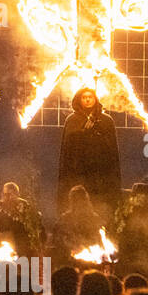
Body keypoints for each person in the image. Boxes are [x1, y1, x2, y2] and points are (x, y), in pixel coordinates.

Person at [57, 87, 121, 220]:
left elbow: (111, 149)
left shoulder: (106, 120)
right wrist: (83, 133)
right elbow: (68, 148)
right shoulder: (72, 120)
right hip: (78, 172)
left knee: (101, 207)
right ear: (79, 100)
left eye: (90, 97)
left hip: (100, 173)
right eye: (84, 97)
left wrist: (97, 133)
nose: (87, 99)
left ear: (95, 99)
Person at [0, 182, 43, 253]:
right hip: (2, 246)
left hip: (22, 247)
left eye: (10, 194)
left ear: (17, 195)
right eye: (5, 194)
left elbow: (37, 225)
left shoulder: (25, 208)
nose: (7, 197)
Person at [52, 184, 104, 254]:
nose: (78, 203)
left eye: (81, 199)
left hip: (92, 256)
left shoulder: (94, 219)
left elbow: (100, 241)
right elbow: (57, 238)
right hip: (70, 257)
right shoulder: (65, 219)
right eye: (75, 200)